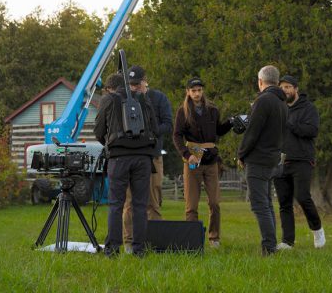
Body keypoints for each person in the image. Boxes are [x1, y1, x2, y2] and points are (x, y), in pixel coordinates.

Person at [93, 72, 159, 257]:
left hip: (119, 158)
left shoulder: (108, 100)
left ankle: (112, 250)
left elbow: (98, 130)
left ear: (110, 88)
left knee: (116, 204)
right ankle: (139, 250)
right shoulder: (143, 99)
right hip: (143, 158)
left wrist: (109, 142)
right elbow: (154, 128)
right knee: (140, 205)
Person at [172, 77, 232, 248]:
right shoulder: (182, 112)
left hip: (211, 161)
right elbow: (176, 135)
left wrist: (231, 123)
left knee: (214, 202)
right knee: (191, 204)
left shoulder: (212, 109)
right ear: (188, 92)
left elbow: (219, 130)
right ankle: (191, 239)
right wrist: (185, 154)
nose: (197, 94)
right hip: (193, 160)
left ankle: (214, 238)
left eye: (199, 90)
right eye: (193, 90)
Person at [237, 65, 288, 256]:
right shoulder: (282, 103)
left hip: (258, 159)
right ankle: (272, 244)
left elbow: (252, 132)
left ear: (260, 81)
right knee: (266, 203)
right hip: (272, 159)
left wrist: (241, 154)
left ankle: (269, 247)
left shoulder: (264, 101)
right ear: (277, 81)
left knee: (260, 205)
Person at [122, 65, 172, 254]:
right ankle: (128, 242)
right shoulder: (125, 100)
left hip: (152, 155)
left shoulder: (159, 98)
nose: (134, 88)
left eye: (137, 84)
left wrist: (149, 132)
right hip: (131, 156)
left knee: (153, 200)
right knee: (130, 201)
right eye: (131, 85)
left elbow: (168, 124)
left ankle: (156, 241)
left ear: (145, 81)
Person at [273, 75, 325, 249]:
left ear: (296, 89)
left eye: (288, 87)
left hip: (302, 159)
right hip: (280, 162)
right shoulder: (278, 108)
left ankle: (318, 231)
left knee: (302, 196)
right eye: (282, 87)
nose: (285, 90)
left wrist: (290, 123)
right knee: (284, 202)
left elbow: (312, 130)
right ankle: (288, 241)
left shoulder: (308, 108)